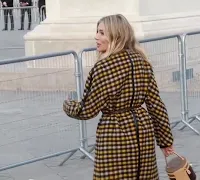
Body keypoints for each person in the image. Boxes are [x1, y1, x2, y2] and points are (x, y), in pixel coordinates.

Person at [63, 14, 174, 179]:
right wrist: (166, 142)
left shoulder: (104, 68)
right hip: (143, 131)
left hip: (114, 134)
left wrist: (68, 105)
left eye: (101, 33)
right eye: (97, 32)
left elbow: (87, 110)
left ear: (116, 36)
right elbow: (156, 105)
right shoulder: (142, 62)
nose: (96, 37)